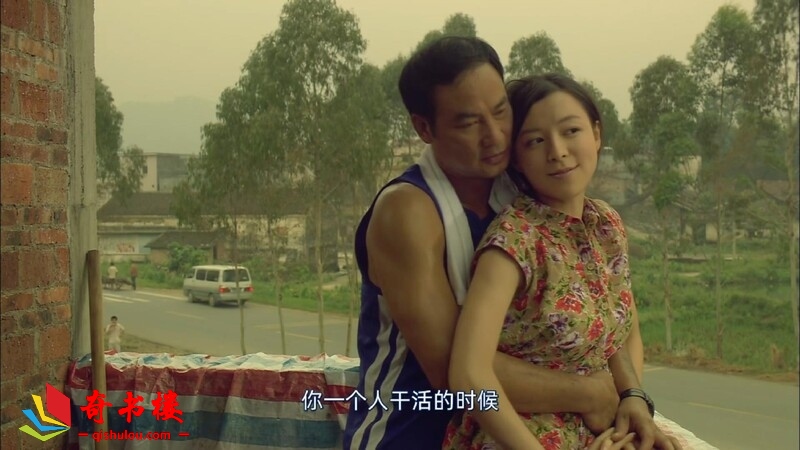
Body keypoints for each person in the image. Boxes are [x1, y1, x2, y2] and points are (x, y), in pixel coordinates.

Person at [343, 36, 646, 450]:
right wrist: (590, 393)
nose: (495, 135)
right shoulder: (409, 212)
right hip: (411, 435)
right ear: (424, 128)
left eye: (501, 111)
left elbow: (601, 310)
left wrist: (631, 394)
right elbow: (452, 370)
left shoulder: (523, 190)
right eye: (469, 123)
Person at [446, 73, 680, 449]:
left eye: (571, 131)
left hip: (602, 428)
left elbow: (619, 332)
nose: (557, 151)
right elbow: (468, 376)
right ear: (517, 159)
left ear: (596, 134)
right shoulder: (513, 241)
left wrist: (633, 397)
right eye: (535, 141)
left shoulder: (606, 225)